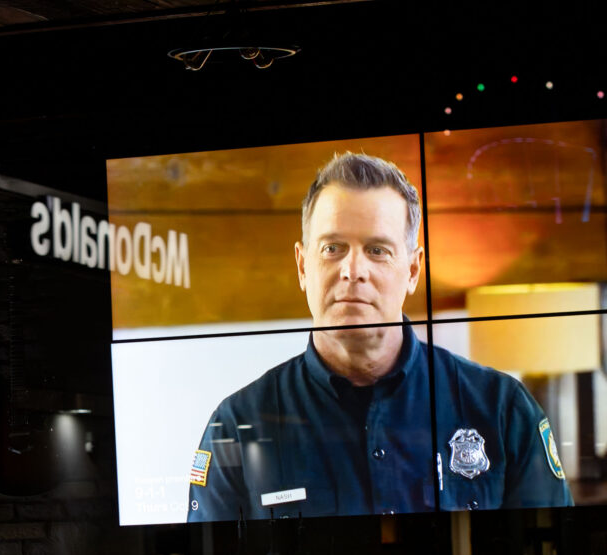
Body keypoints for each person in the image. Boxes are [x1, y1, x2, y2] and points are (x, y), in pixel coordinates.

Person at [187, 152, 572, 522]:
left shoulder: (503, 412)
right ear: (303, 267)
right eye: (333, 248)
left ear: (413, 270)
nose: (353, 270)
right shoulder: (236, 427)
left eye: (377, 250)